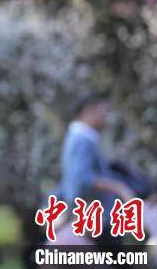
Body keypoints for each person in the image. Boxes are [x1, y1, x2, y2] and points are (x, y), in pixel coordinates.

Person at [56, 94, 137, 246]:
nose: (106, 117)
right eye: (103, 112)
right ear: (88, 112)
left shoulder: (81, 138)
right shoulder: (81, 140)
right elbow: (81, 178)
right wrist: (119, 188)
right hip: (93, 218)